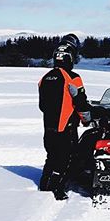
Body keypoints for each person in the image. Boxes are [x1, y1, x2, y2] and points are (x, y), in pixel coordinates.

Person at [38, 34, 91, 200]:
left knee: (51, 157)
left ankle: (45, 186)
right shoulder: (73, 78)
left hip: (48, 126)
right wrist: (87, 118)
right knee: (67, 159)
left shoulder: (44, 78)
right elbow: (81, 103)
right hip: (67, 127)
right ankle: (57, 188)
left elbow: (42, 106)